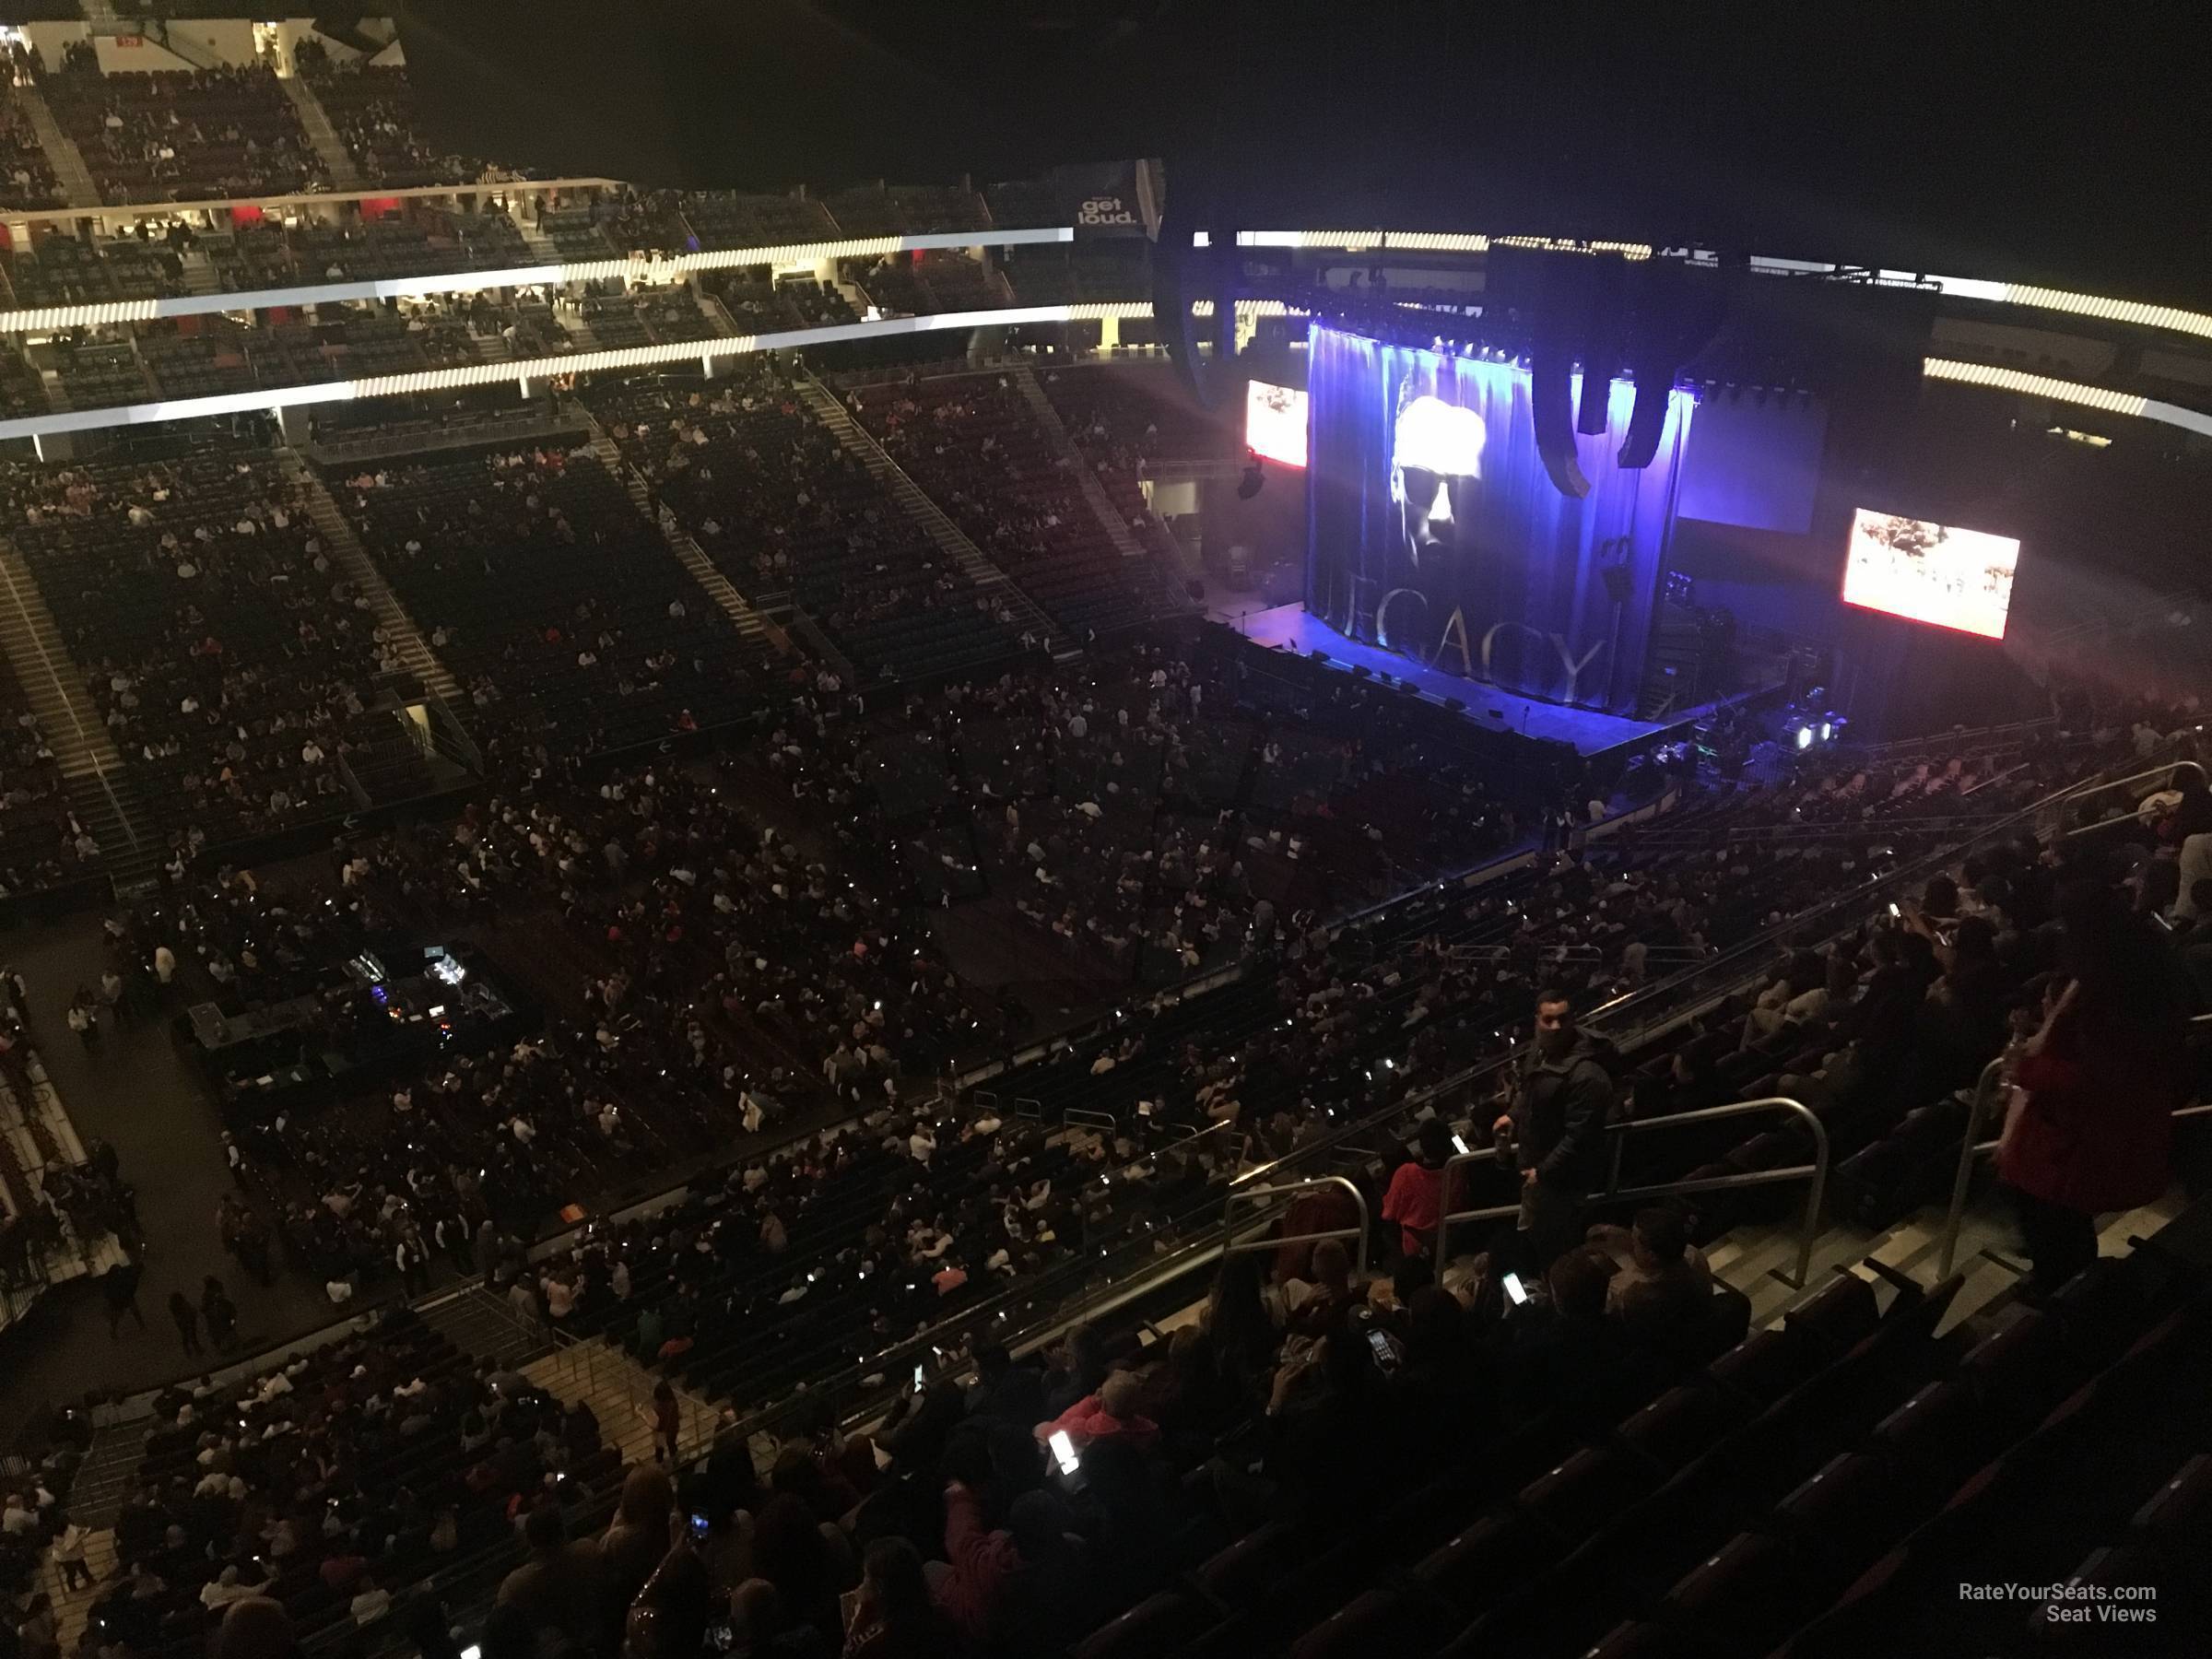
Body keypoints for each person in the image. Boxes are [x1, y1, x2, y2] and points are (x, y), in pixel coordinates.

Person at [1998, 894, 2189, 1296]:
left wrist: (2028, 1069)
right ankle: (2072, 1285)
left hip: (2078, 1143)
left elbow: (2098, 1075)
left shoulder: (2109, 996)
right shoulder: (2142, 981)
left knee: (2055, 1229)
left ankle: (2067, 1296)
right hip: (2099, 1132)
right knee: (2063, 1226)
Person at [1496, 987, 1616, 1273]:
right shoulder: (1538, 1051)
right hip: (1537, 1168)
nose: (1556, 1027)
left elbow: (1580, 1135)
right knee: (1536, 1237)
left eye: (1562, 1019)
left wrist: (1543, 1171)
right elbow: (1530, 1092)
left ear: (1573, 1019)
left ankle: (1565, 1291)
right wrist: (1512, 1116)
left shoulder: (1587, 1074)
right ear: (1537, 1019)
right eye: (1548, 1020)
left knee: (1556, 1246)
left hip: (1560, 1180)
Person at [844, 1536, 959, 1659]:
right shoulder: (942, 1614)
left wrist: (857, 1626)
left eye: (866, 1577)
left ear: (879, 1588)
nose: (862, 1585)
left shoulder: (872, 1645)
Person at [1381, 1117, 1455, 1259]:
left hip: (1419, 1246)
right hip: (1453, 1236)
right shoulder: (1459, 1167)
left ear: (1421, 1146)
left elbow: (1388, 1213)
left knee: (1386, 1230)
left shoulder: (1405, 1173)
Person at [101, 1258, 146, 1337]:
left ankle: (141, 1325)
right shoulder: (125, 1274)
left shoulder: (127, 1275)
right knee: (118, 1316)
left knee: (131, 1311)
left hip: (123, 1297)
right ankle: (113, 1331)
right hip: (119, 1298)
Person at [169, 1288, 202, 1353]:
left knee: (185, 1336)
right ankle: (197, 1349)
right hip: (188, 1322)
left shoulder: (175, 1309)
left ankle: (187, 1349)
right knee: (192, 1336)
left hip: (182, 1324)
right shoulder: (184, 1306)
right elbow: (191, 1312)